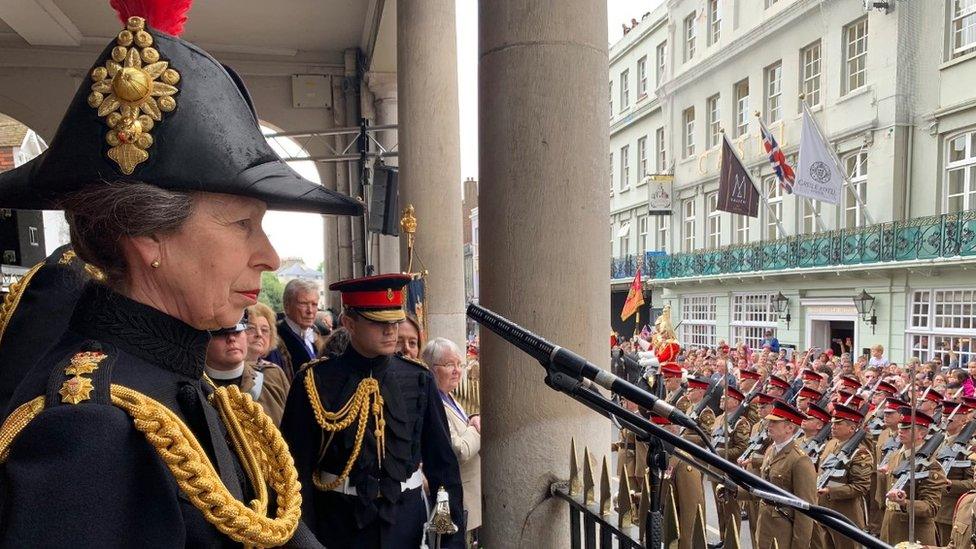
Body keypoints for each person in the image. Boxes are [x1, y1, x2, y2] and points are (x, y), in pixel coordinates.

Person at [0, 2, 363, 545]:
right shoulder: (92, 427)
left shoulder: (173, 377)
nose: (267, 254)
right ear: (149, 235)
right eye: (243, 224)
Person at [280, 274, 464, 548]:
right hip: (338, 522)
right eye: (378, 322)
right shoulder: (314, 381)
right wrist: (304, 539)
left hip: (405, 523)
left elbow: (442, 466)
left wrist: (450, 538)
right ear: (349, 322)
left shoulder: (418, 378)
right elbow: (294, 469)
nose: (391, 331)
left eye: (395, 321)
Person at [423, 337, 482, 538]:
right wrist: (477, 428)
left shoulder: (448, 396)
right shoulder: (436, 402)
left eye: (459, 364)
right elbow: (459, 449)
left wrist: (472, 419)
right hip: (453, 496)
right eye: (449, 365)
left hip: (465, 496)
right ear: (431, 369)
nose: (457, 370)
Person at [753, 400, 817, 549]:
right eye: (769, 421)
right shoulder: (771, 450)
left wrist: (799, 545)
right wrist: (736, 491)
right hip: (765, 523)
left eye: (775, 422)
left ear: (790, 427)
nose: (769, 425)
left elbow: (805, 509)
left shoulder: (800, 459)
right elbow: (765, 487)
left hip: (783, 529)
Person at [880, 408, 947, 545]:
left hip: (914, 533)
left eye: (907, 428)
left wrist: (904, 503)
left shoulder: (930, 465)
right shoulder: (895, 456)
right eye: (900, 427)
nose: (901, 431)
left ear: (921, 433)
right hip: (890, 526)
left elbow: (931, 507)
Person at [206, 318, 290, 424]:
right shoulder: (197, 388)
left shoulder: (273, 376)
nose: (231, 338)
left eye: (237, 331)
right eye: (220, 334)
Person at [813, 404, 873, 549]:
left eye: (839, 424)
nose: (833, 427)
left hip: (846, 515)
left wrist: (830, 491)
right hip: (824, 509)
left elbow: (861, 487)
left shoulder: (859, 454)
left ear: (852, 428)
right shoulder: (830, 444)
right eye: (833, 423)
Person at [936, 400, 976, 542]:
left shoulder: (969, 448)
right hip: (932, 508)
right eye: (944, 415)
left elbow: (973, 483)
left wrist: (950, 483)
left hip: (951, 512)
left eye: (951, 417)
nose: (945, 419)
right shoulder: (937, 442)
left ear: (963, 420)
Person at [277, 278, 321, 379]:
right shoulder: (276, 339)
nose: (310, 311)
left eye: (314, 304)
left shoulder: (315, 334)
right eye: (303, 303)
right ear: (287, 306)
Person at [244, 301, 287, 367]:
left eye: (264, 330)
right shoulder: (229, 370)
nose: (259, 334)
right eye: (251, 328)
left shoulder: (274, 370)